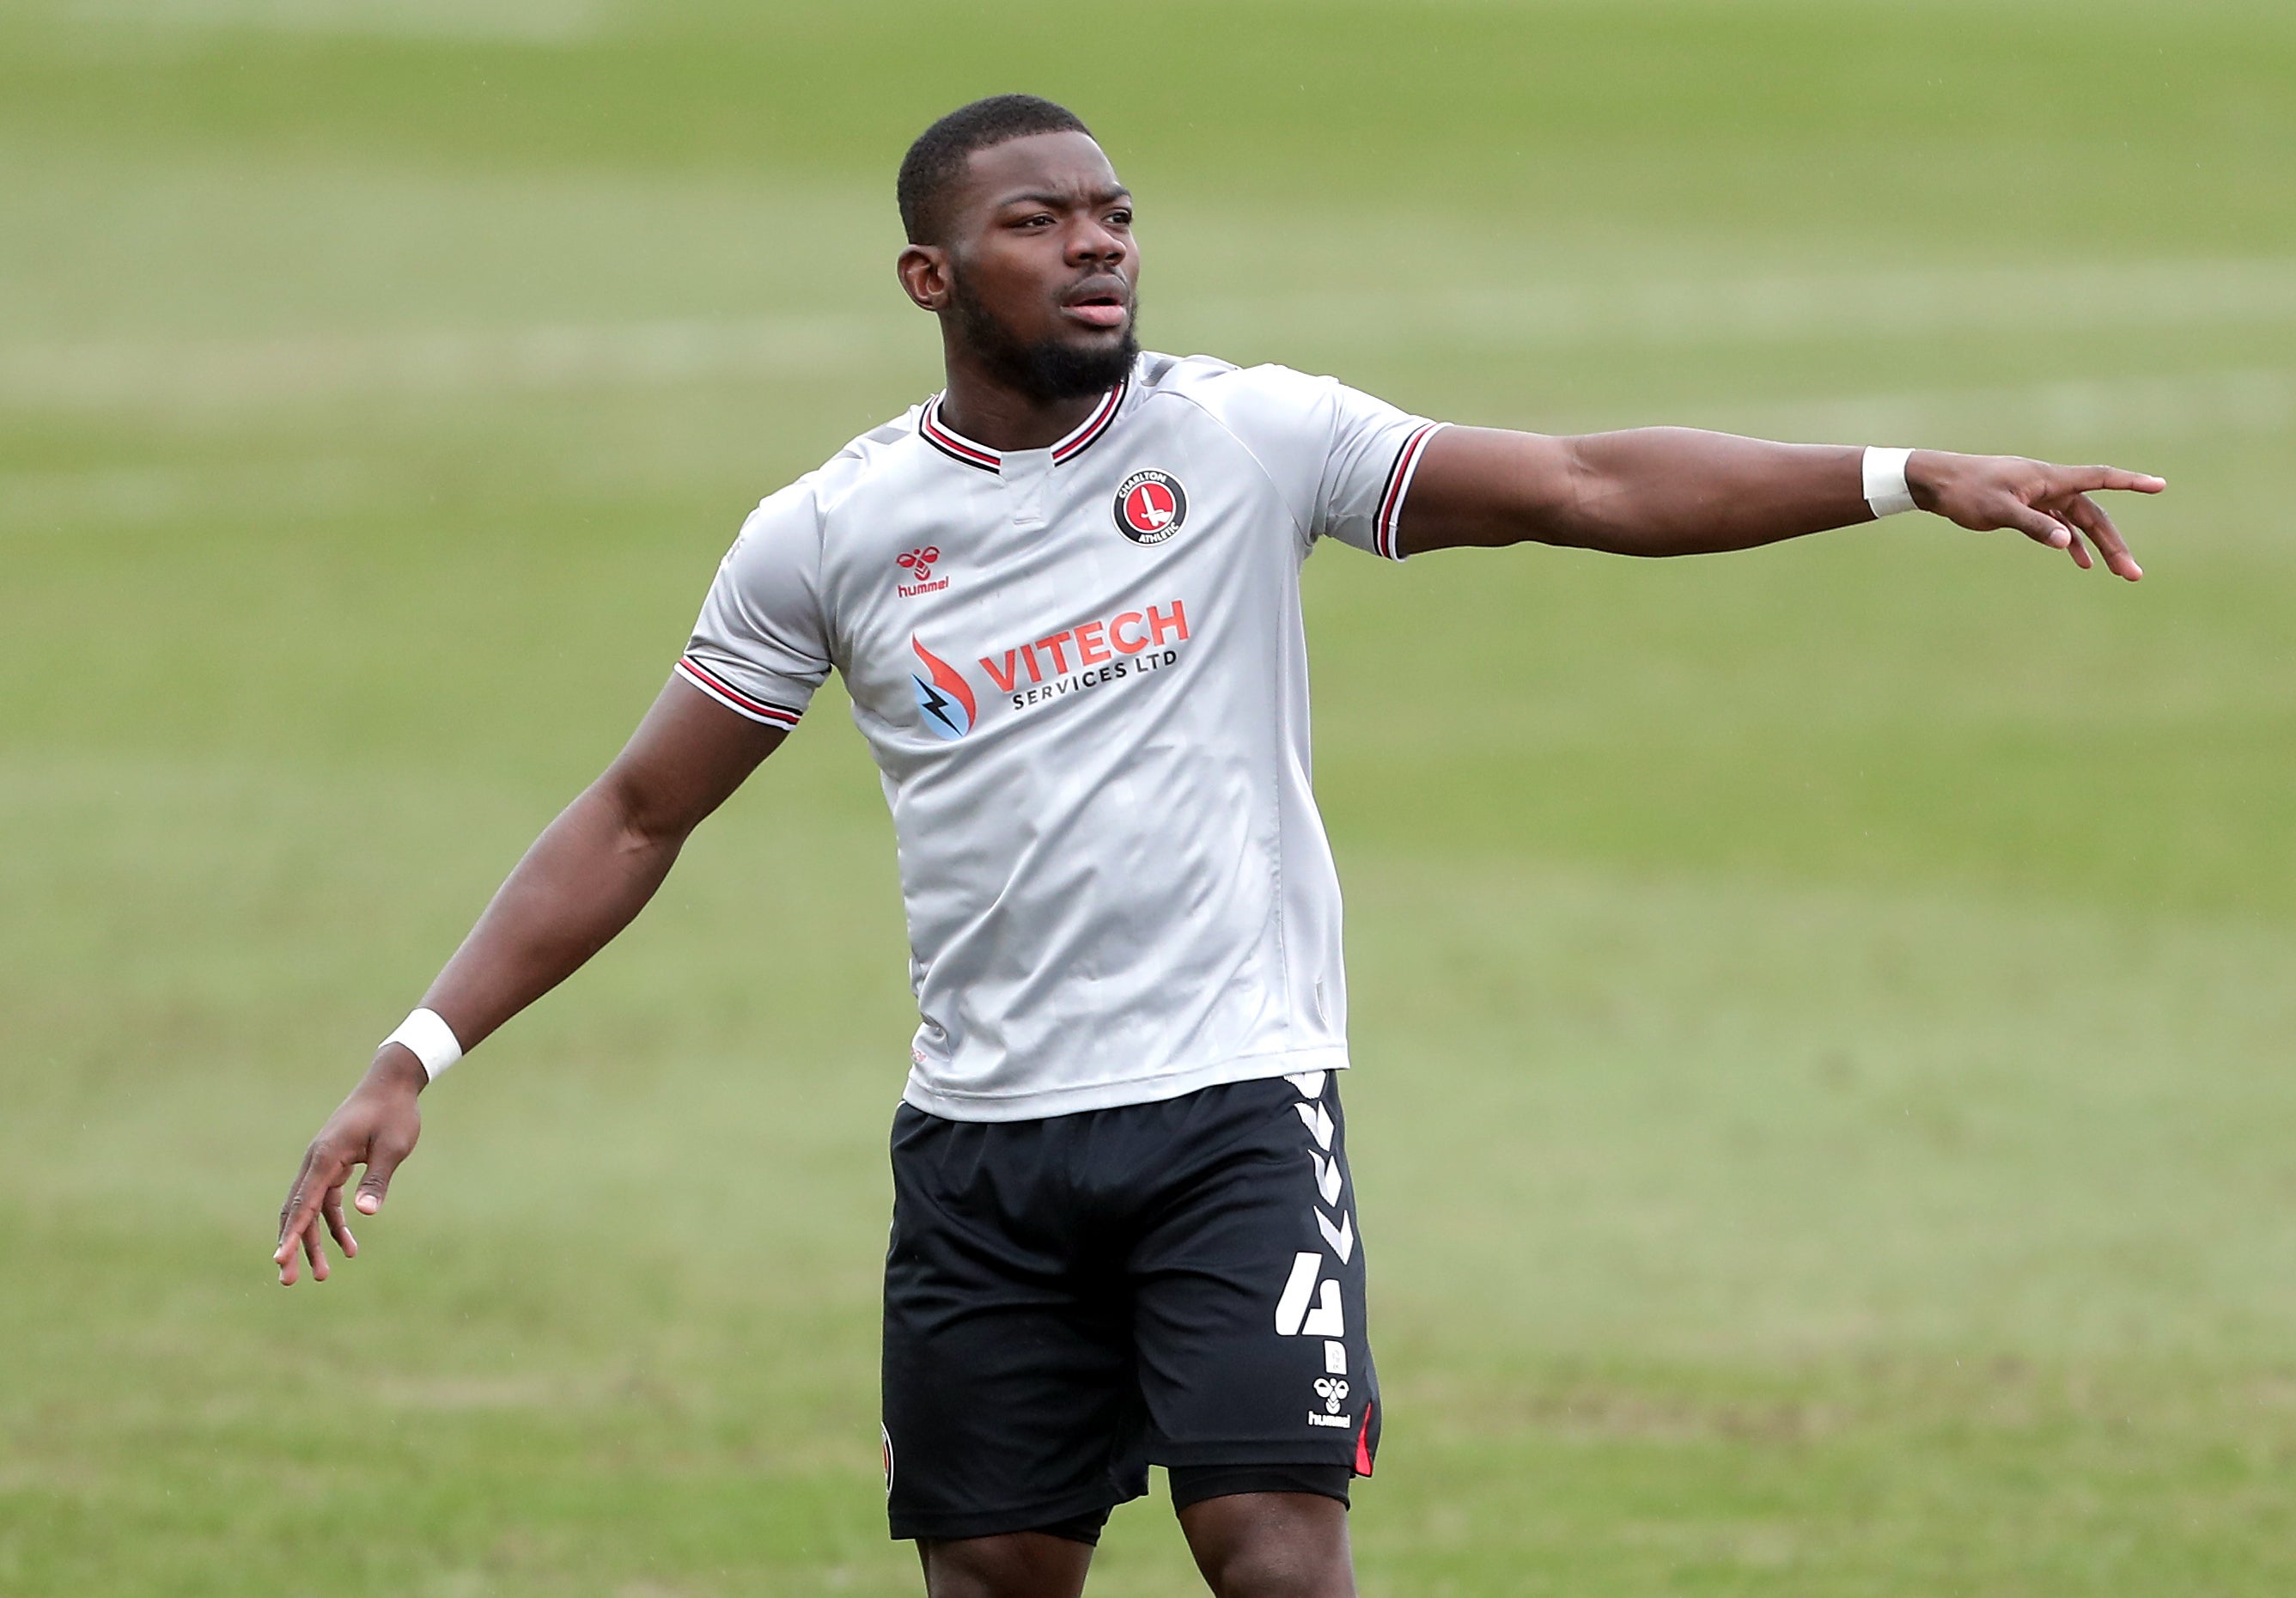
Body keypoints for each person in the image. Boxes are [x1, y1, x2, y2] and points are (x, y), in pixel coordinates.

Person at [272, 94, 2163, 1598]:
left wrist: (1907, 477)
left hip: (1232, 1112)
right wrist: (414, 1054)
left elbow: (1583, 484)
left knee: (1273, 1549)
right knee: (1002, 1566)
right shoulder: (831, 535)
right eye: (1041, 218)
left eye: (1114, 211)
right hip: (983, 1146)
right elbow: (637, 810)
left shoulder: (1250, 438)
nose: (1098, 241)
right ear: (929, 277)